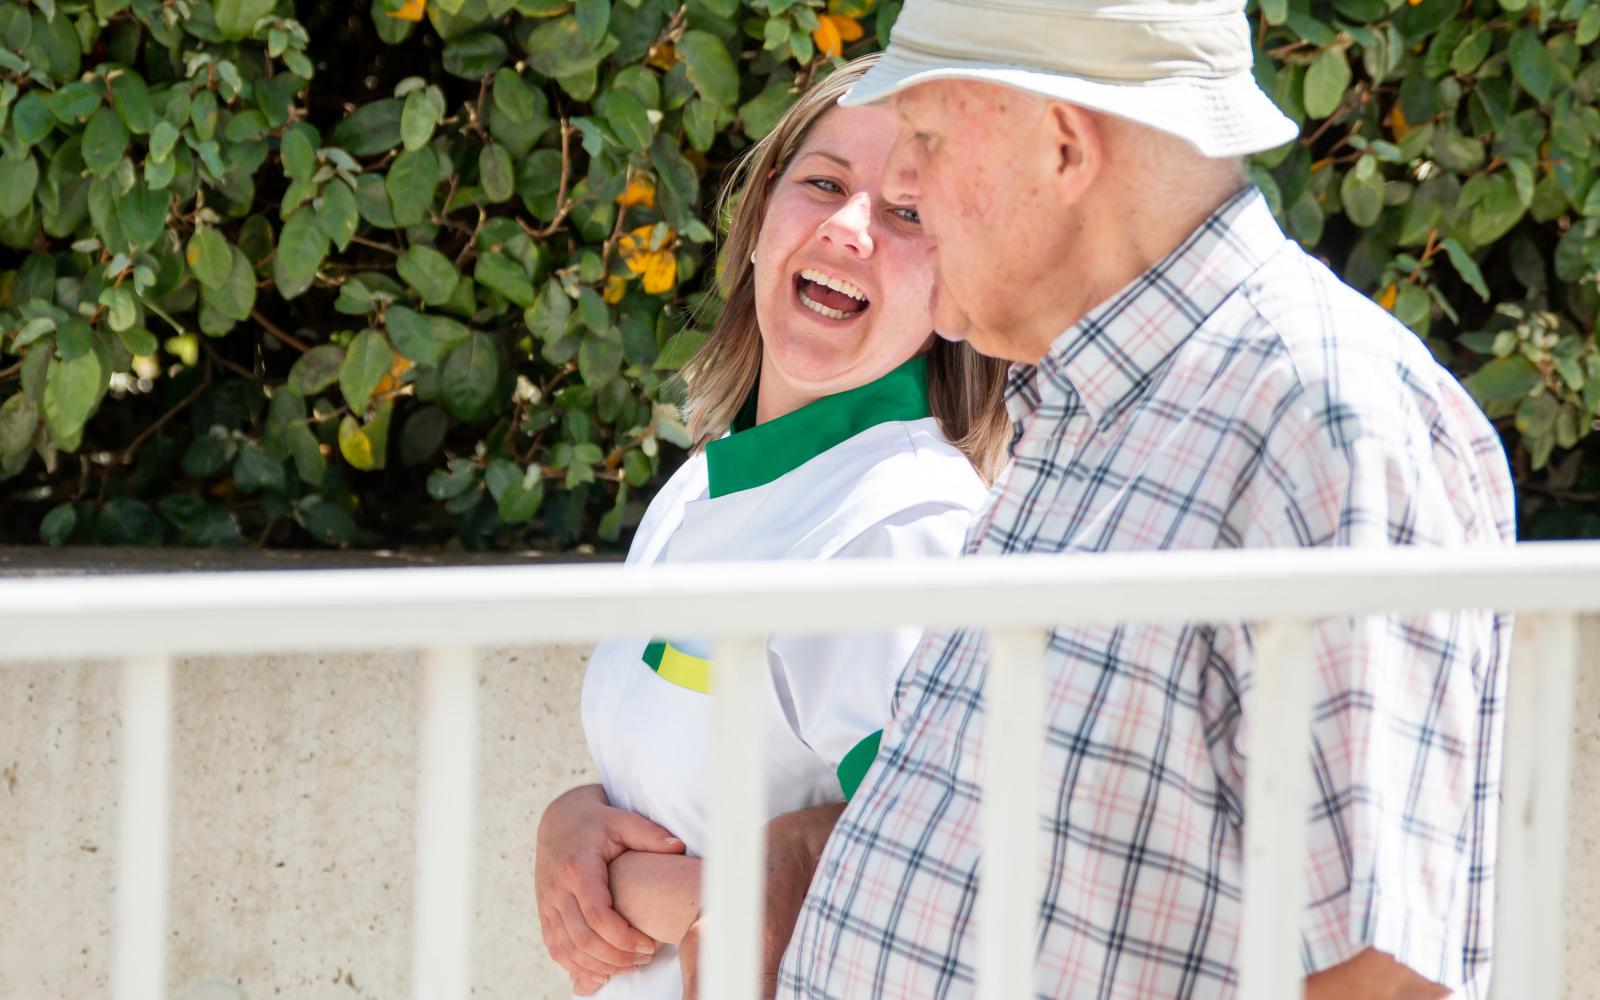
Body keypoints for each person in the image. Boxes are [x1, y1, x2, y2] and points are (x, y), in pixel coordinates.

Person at [761, 0, 1519, 998]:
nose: (899, 178)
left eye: (927, 135)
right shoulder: (1095, 399)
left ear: (1064, 148)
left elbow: (1380, 971)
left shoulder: (1321, 417)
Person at [533, 54, 1011, 998]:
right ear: (758, 225)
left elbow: (926, 885)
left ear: (957, 290)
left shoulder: (904, 527)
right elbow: (682, 785)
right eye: (824, 183)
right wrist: (574, 820)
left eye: (907, 214)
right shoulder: (705, 485)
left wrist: (628, 887)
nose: (847, 227)